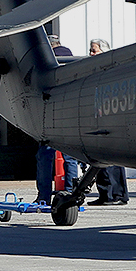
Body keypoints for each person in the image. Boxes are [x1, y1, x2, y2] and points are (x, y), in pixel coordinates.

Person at [85, 37, 129, 205]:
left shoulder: (110, 69)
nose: (91, 53)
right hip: (99, 116)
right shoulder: (94, 69)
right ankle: (108, 194)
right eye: (90, 50)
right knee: (103, 156)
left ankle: (114, 194)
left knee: (110, 157)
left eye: (94, 50)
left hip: (108, 117)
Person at [38, 33, 81, 203]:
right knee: (70, 157)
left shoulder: (48, 59)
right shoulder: (72, 58)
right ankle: (71, 193)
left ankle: (44, 195)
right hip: (69, 112)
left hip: (49, 113)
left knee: (45, 156)